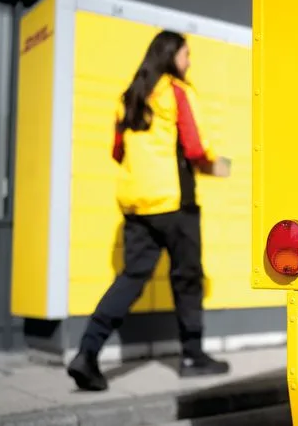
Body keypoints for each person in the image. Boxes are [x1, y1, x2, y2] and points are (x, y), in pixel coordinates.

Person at [66, 30, 231, 392]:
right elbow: (196, 147)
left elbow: (116, 151)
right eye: (187, 54)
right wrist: (221, 165)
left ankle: (87, 352)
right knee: (188, 279)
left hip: (136, 204)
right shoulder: (176, 91)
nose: (190, 61)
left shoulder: (128, 97)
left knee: (131, 278)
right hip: (175, 202)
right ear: (171, 55)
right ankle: (192, 356)